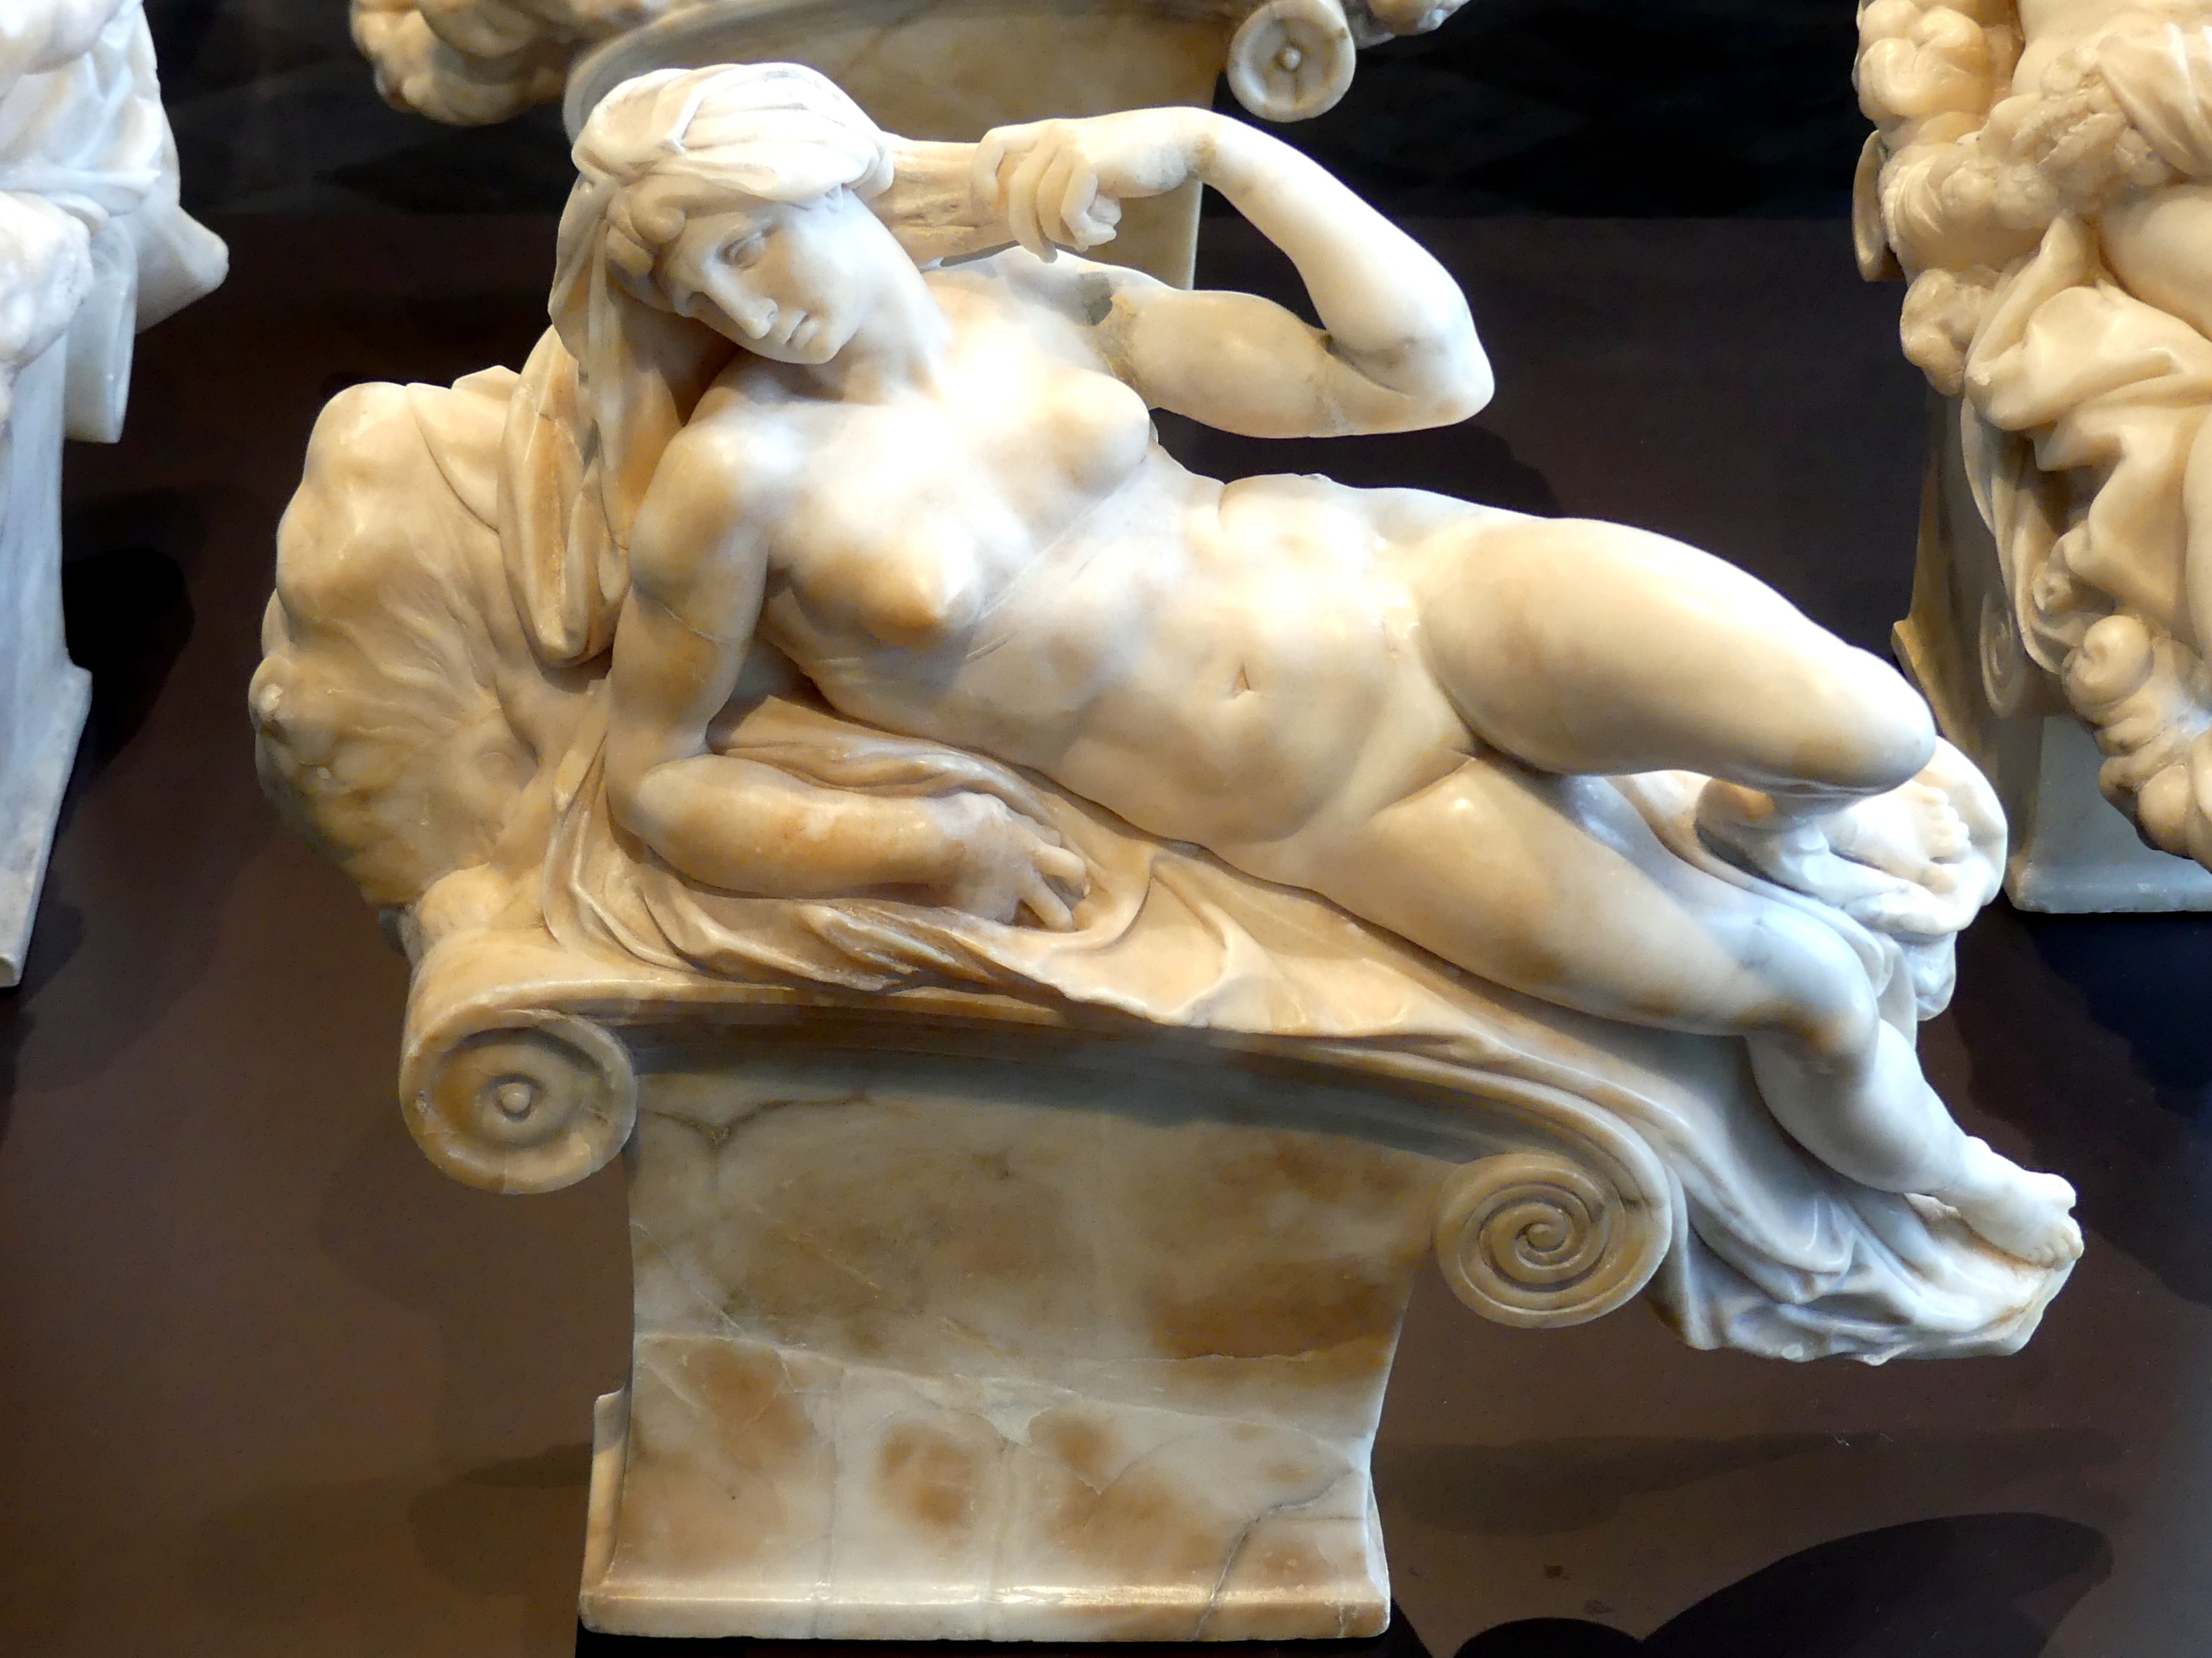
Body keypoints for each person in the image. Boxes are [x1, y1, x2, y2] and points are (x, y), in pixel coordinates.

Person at [560, 63, 2078, 1265]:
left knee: (1870, 733)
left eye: (748, 244)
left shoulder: (1033, 301)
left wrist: (1218, 151)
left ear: (836, 178)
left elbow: (1418, 377)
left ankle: (1766, 828)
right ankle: (1962, 1182)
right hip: (1344, 807)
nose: (743, 308)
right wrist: (918, 844)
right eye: (696, 289)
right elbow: (656, 780)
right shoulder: (733, 485)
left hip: (1426, 589)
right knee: (1805, 999)